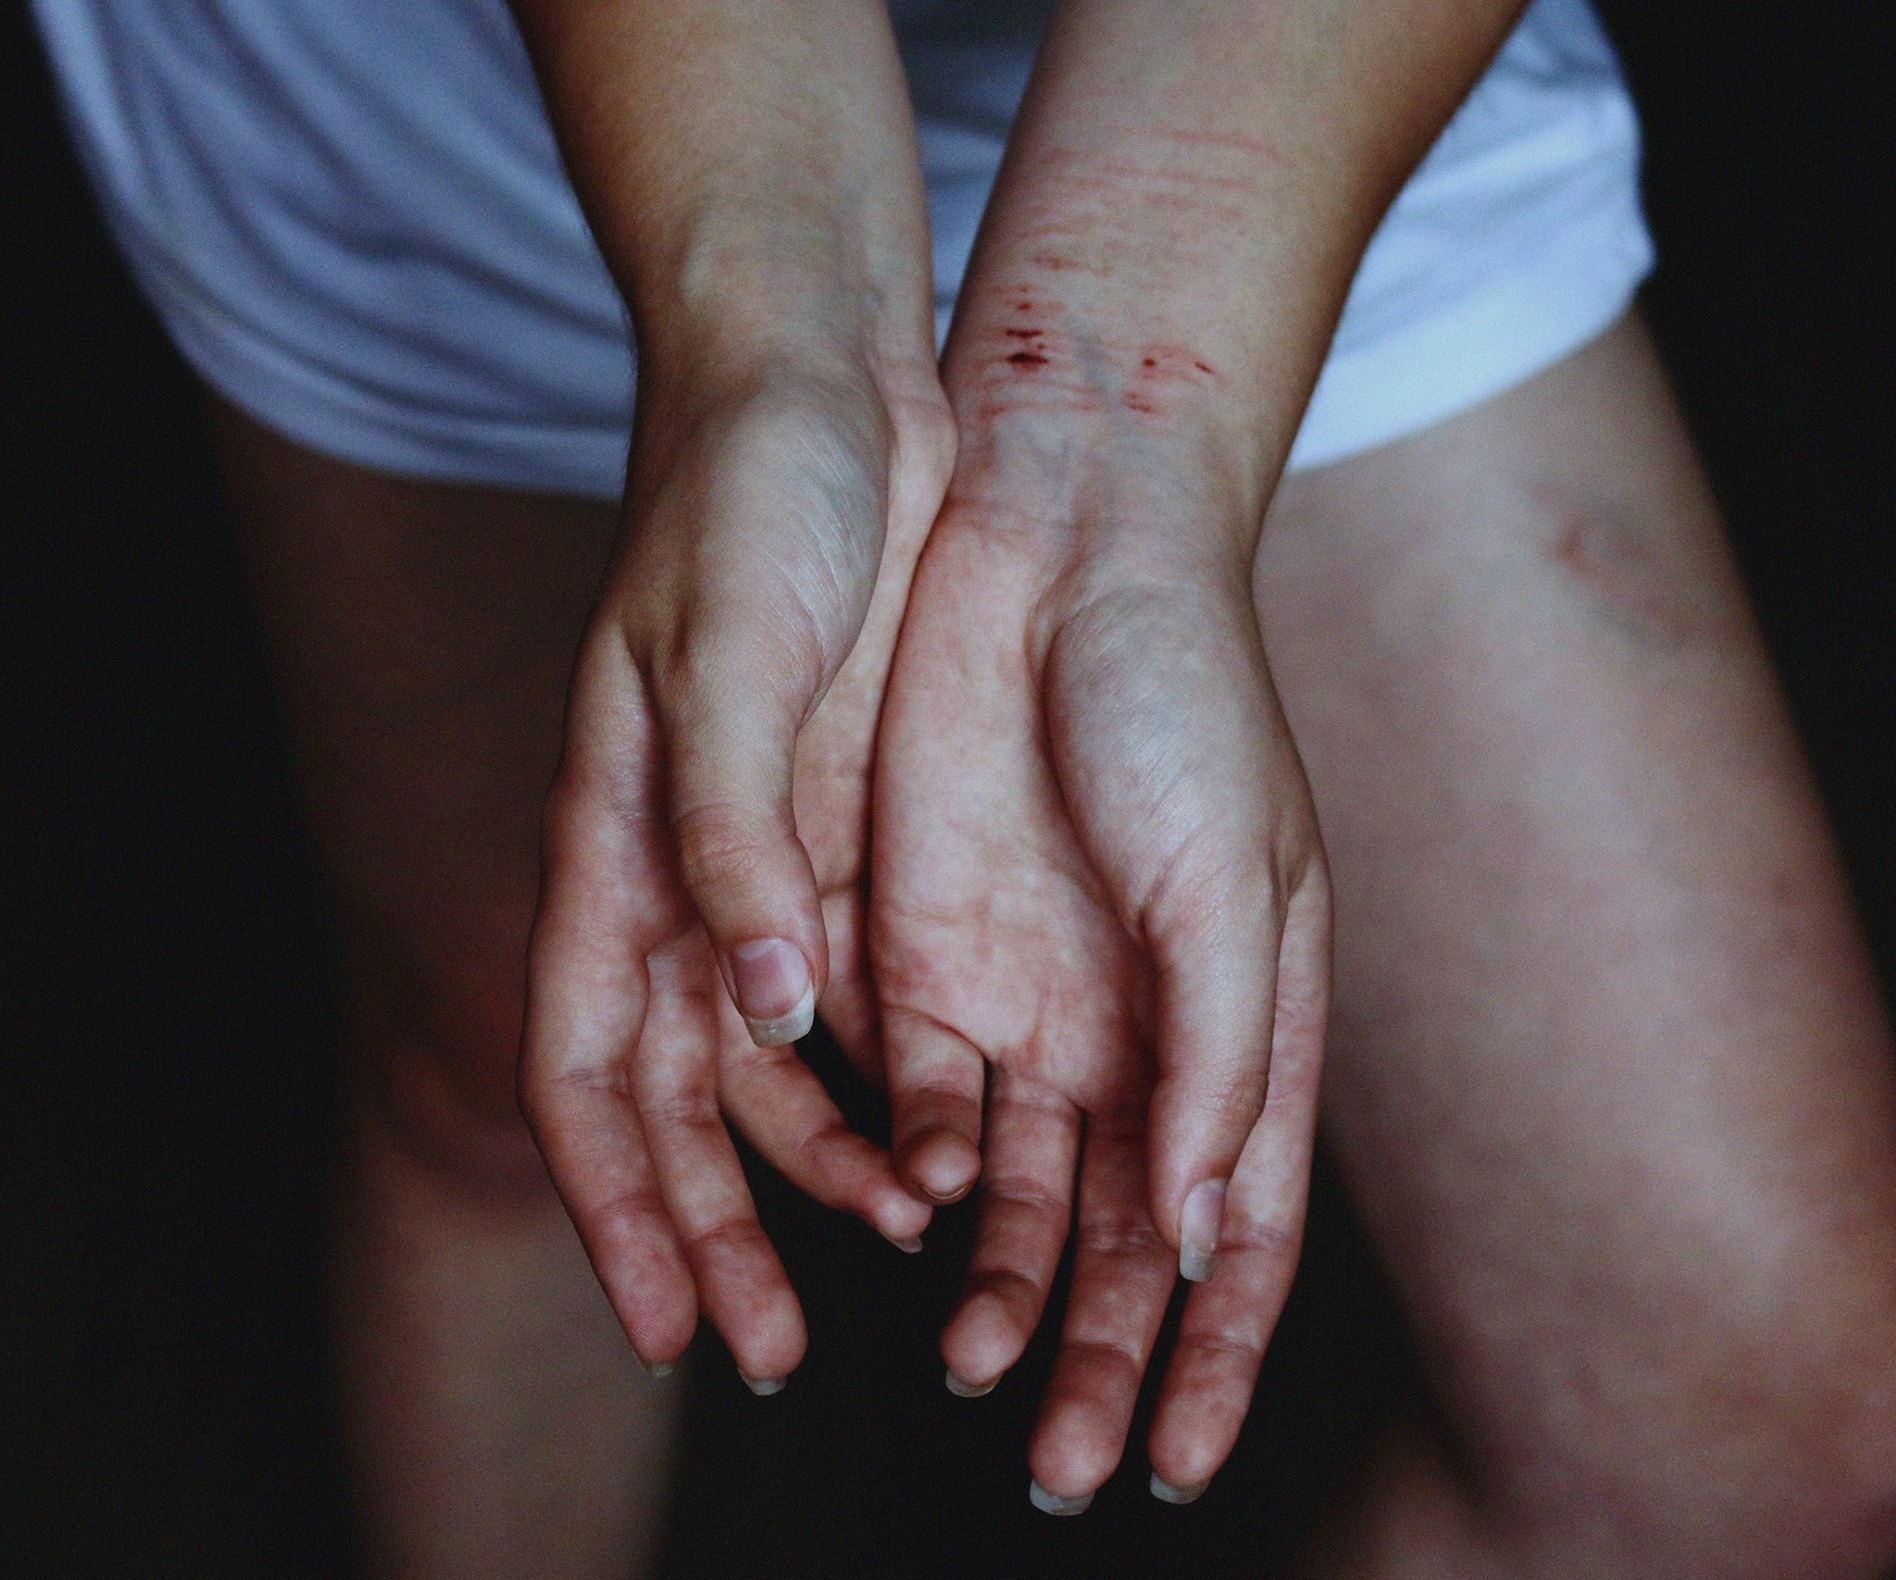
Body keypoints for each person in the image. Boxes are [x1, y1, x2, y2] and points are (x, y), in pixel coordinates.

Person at [31, 0, 1896, 1573]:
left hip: (1269, 77)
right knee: (522, 1049)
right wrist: (774, 343)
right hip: (500, 71)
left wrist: (1119, 431)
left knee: (1764, 1451)